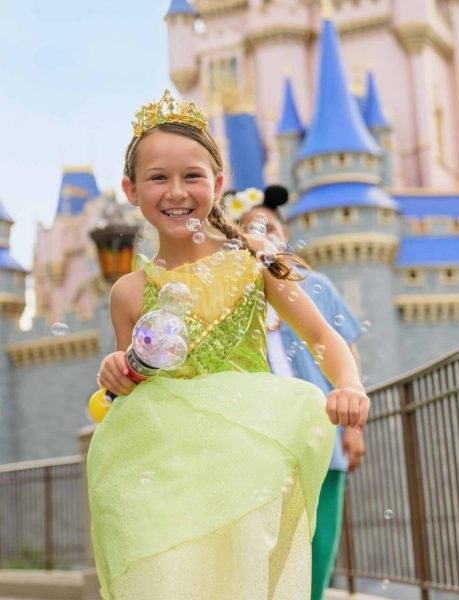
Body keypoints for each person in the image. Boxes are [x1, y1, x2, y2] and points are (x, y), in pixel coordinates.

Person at [88, 90, 370, 600]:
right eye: (158, 177)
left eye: (192, 176)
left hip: (242, 469)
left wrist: (348, 384)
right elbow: (132, 383)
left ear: (217, 184)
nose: (177, 191)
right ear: (131, 189)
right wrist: (115, 373)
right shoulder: (128, 293)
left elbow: (323, 335)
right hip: (165, 476)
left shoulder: (253, 259)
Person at [238, 186, 366, 600]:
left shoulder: (317, 285)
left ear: (284, 231)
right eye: (248, 228)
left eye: (267, 226)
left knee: (319, 542)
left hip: (321, 434)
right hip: (264, 441)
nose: (260, 233)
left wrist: (355, 428)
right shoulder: (236, 294)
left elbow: (344, 350)